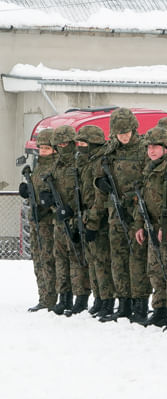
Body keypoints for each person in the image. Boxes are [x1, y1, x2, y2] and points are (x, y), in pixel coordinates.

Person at [95, 108, 150, 323]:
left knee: (137, 259)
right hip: (115, 213)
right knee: (117, 258)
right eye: (119, 133)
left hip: (136, 212)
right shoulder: (110, 151)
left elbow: (149, 180)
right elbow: (98, 176)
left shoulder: (144, 149)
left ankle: (140, 304)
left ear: (134, 129)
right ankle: (124, 302)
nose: (123, 136)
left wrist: (132, 197)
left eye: (126, 132)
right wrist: (100, 182)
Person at [134, 127, 167, 328]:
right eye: (149, 147)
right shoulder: (149, 168)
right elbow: (142, 201)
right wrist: (140, 225)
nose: (151, 151)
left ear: (166, 147)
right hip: (151, 225)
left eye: (156, 147)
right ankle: (159, 309)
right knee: (155, 270)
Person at [47, 125, 90, 315]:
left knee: (77, 258)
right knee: (61, 259)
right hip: (59, 219)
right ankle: (63, 296)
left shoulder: (79, 162)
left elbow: (86, 191)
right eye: (59, 144)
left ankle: (80, 298)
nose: (62, 147)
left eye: (65, 143)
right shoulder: (56, 164)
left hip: (75, 218)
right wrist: (51, 203)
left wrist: (74, 210)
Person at [76, 125, 115, 317]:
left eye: (84, 143)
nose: (80, 147)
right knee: (92, 261)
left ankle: (107, 300)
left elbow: (99, 197)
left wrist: (92, 221)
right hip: (88, 216)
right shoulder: (86, 161)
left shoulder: (100, 162)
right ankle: (99, 297)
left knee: (102, 261)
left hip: (100, 219)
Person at [21, 128, 57, 312]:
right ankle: (43, 296)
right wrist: (27, 192)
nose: (43, 152)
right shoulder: (37, 169)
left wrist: (47, 204)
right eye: (41, 148)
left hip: (48, 222)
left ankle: (51, 298)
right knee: (38, 259)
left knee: (49, 259)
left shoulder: (55, 168)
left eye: (47, 148)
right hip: (36, 221)